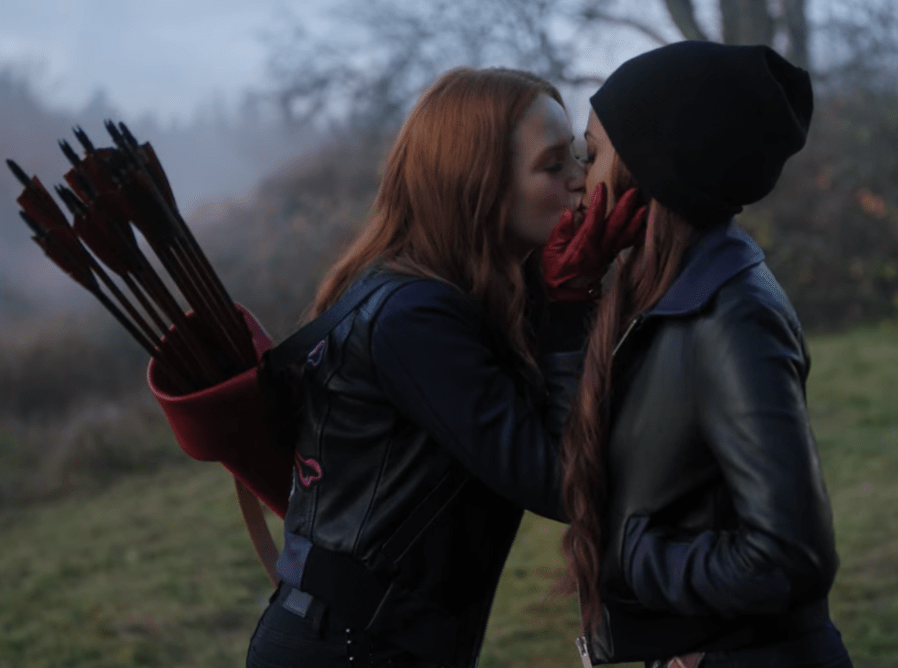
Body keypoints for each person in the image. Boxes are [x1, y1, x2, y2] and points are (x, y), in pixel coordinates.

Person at [246, 67, 641, 668]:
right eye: (552, 165)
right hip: (348, 652)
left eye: (579, 157)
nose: (580, 180)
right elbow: (563, 481)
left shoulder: (473, 294)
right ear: (479, 184)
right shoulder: (414, 318)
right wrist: (570, 302)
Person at [555, 41, 854, 667]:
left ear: (654, 166)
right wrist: (564, 298)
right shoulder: (663, 297)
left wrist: (630, 555)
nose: (579, 178)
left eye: (593, 153)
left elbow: (790, 556)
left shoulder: (732, 314)